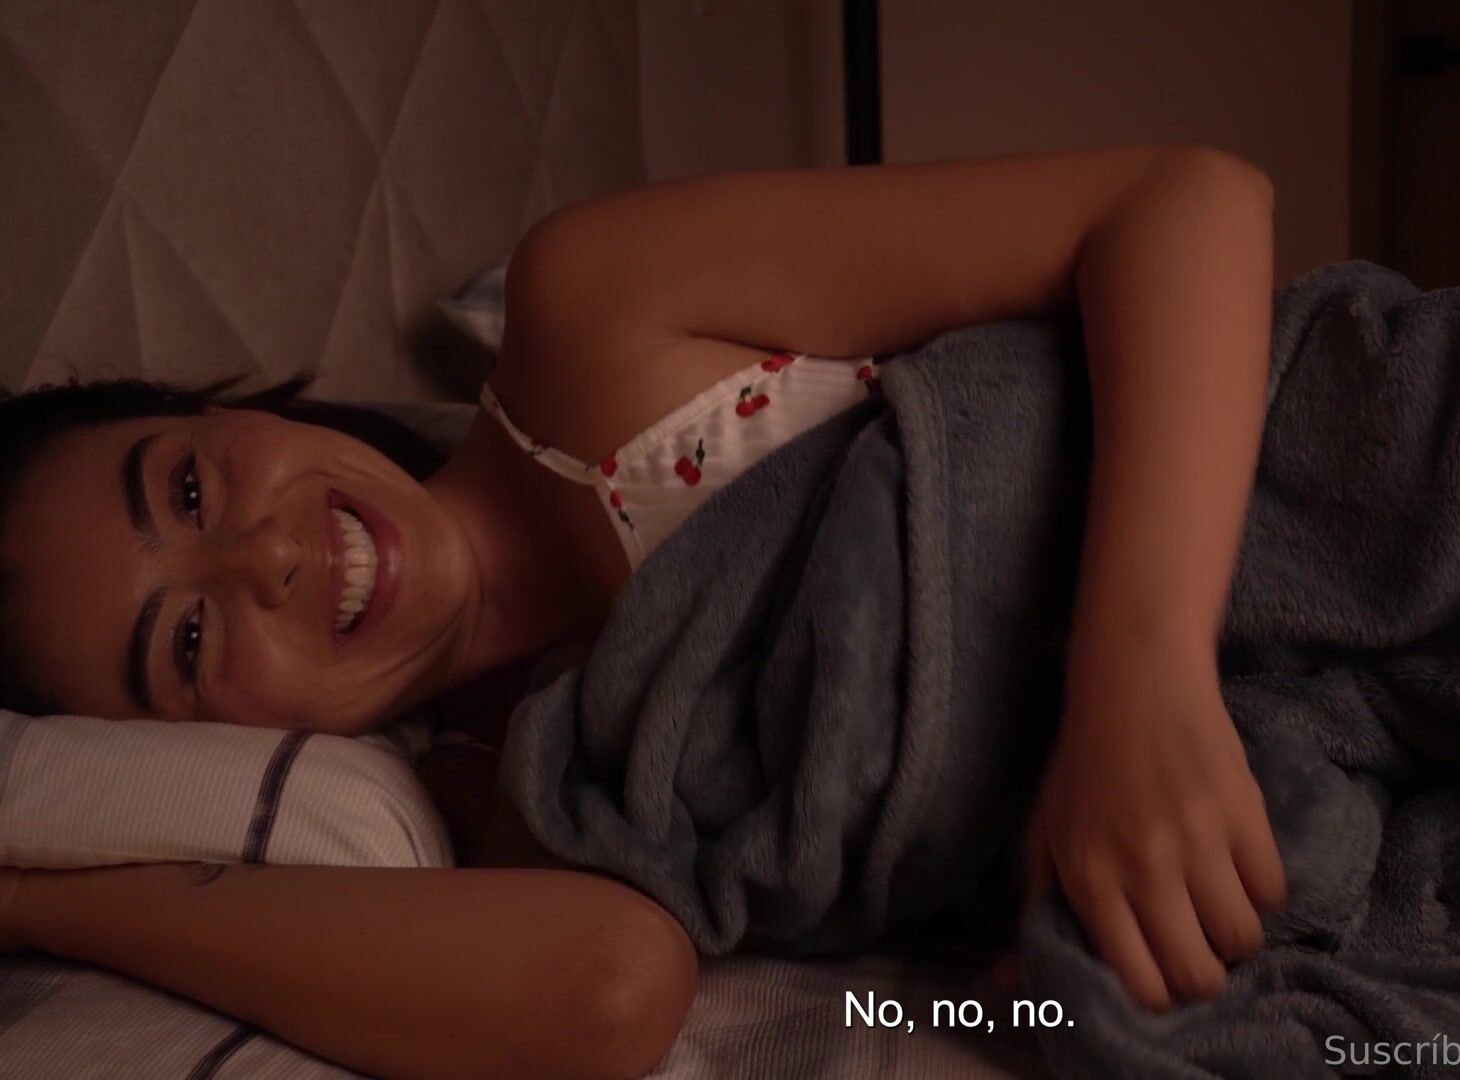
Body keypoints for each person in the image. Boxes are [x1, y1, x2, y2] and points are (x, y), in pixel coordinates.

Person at [0, 145, 1287, 1078]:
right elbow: (614, 990)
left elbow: (1186, 200)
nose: (269, 561)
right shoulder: (507, 799)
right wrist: (37, 904)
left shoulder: (590, 307)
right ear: (201, 748)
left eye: (188, 486)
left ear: (229, 412)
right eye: (188, 642)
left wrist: (1142, 681)